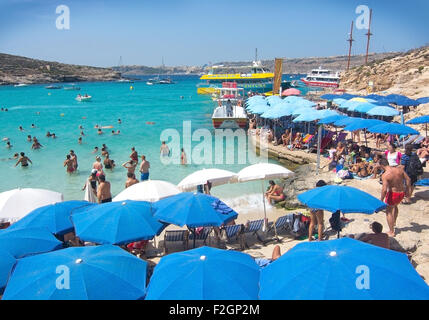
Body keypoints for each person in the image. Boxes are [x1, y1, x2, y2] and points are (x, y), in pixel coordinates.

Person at [379, 158, 412, 237]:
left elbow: (384, 189)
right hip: (401, 193)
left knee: (388, 212)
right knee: (395, 206)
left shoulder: (385, 175)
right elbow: (408, 179)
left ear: (382, 166)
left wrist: (381, 200)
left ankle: (391, 231)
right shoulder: (399, 170)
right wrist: (408, 191)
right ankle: (393, 223)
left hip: (393, 194)